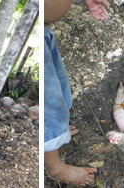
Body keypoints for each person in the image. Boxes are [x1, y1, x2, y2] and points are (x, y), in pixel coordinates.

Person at [44, 0, 109, 186]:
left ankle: (59, 132)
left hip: (46, 32)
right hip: (39, 32)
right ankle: (55, 167)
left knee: (60, 86)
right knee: (50, 106)